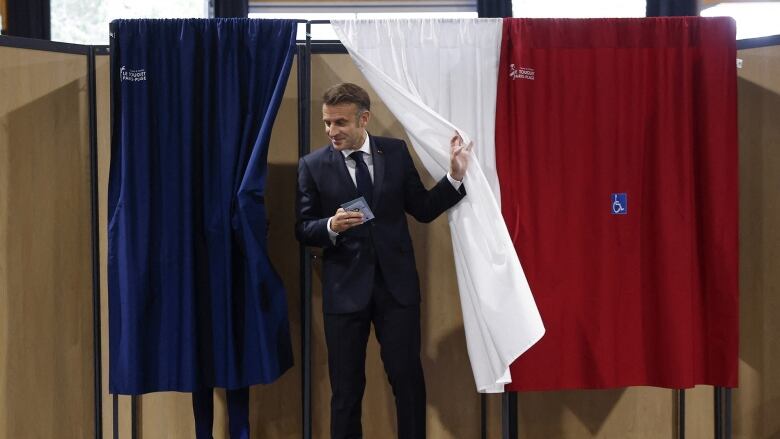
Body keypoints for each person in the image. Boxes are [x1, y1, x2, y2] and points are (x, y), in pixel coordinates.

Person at [295, 82, 471, 439]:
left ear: (364, 118)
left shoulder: (396, 152)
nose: (332, 131)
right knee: (345, 391)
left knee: (408, 382)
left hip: (397, 291)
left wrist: (454, 176)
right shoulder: (312, 166)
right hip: (344, 293)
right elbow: (302, 227)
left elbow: (421, 208)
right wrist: (329, 225)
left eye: (340, 123)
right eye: (327, 123)